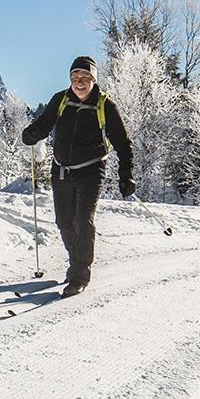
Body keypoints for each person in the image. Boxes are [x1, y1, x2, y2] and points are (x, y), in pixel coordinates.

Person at [20, 56, 135, 297]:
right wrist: (32, 134)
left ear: (93, 79)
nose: (79, 82)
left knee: (83, 220)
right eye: (74, 78)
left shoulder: (106, 106)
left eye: (84, 77)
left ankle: (79, 275)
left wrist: (126, 175)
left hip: (92, 170)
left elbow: (123, 144)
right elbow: (44, 123)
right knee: (64, 222)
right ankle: (77, 261)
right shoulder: (60, 100)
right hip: (61, 168)